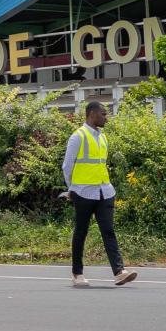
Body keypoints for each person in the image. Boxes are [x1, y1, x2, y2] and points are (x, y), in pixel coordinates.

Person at [63, 101, 138, 288]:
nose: (106, 118)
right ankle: (77, 273)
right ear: (92, 114)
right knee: (81, 232)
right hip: (83, 192)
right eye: (103, 114)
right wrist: (72, 189)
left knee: (108, 230)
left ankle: (119, 272)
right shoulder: (78, 136)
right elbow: (67, 166)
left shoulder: (103, 137)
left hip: (104, 191)